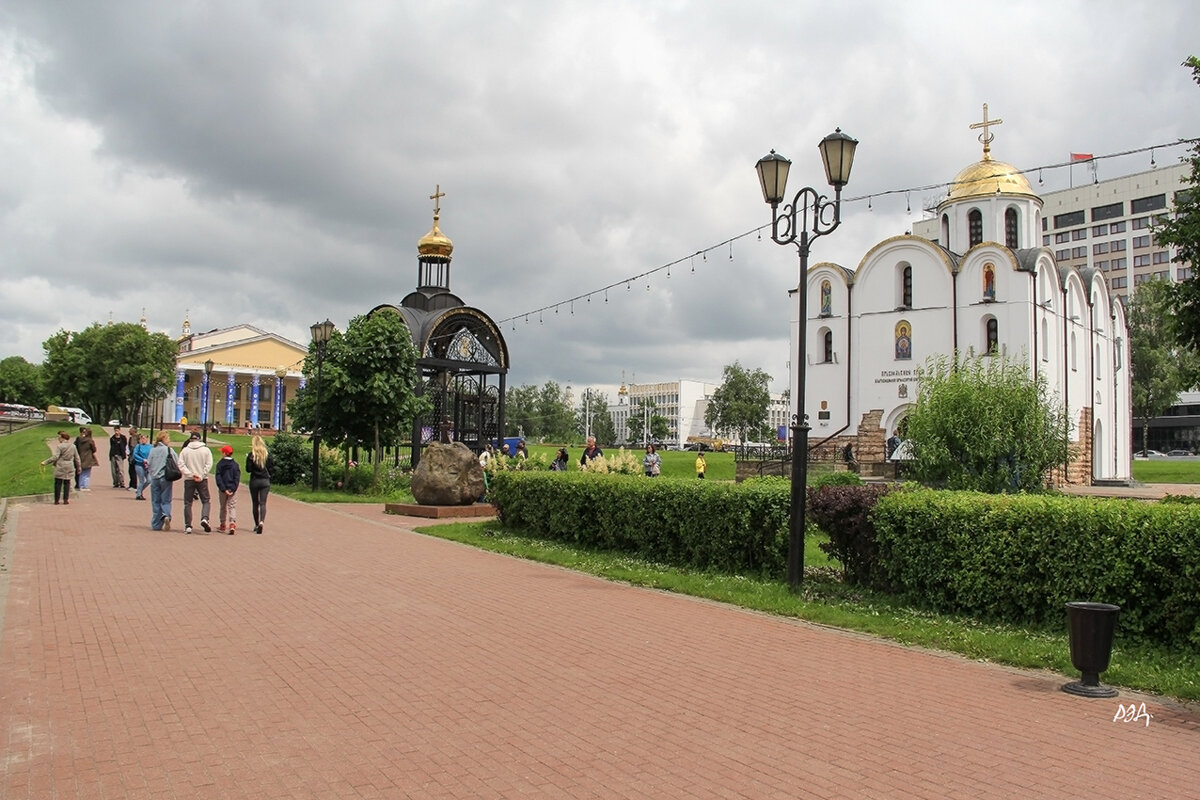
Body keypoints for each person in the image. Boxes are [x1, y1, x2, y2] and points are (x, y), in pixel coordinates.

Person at [178, 431, 213, 534]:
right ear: (199, 439)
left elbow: (181, 464)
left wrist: (190, 474)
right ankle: (205, 518)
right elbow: (209, 464)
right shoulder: (206, 450)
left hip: (189, 479)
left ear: (190, 439)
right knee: (206, 500)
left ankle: (188, 525)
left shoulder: (185, 451)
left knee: (188, 503)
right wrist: (201, 475)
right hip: (202, 479)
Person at [146, 431, 177, 531]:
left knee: (156, 501)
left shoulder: (152, 450)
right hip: (165, 477)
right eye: (168, 438)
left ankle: (156, 524)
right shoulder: (168, 450)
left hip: (154, 478)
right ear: (163, 439)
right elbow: (176, 461)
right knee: (166, 499)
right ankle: (166, 514)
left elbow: (148, 463)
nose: (169, 440)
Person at [245, 434, 274, 534]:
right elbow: (271, 469)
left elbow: (248, 470)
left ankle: (257, 524)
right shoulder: (267, 455)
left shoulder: (251, 455)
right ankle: (262, 521)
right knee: (263, 502)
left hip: (255, 480)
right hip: (265, 481)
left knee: (255, 503)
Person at [42, 431, 80, 505]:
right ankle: (66, 499)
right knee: (67, 482)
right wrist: (79, 467)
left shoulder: (60, 446)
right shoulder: (73, 446)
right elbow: (77, 458)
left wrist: (45, 462)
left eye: (59, 437)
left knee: (58, 483)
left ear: (63, 438)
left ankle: (57, 500)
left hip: (61, 465)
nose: (58, 439)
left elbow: (55, 457)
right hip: (69, 465)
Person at [214, 444, 241, 534]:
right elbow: (237, 478)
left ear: (225, 453)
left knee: (223, 507)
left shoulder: (220, 464)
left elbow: (218, 477)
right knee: (232, 506)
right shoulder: (235, 465)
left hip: (223, 489)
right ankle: (232, 523)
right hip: (232, 489)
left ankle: (222, 524)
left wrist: (223, 488)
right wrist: (233, 488)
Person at [130, 434, 152, 500]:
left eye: (144, 438)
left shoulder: (151, 446)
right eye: (141, 438)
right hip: (139, 465)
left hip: (147, 466)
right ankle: (139, 495)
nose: (143, 440)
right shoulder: (138, 446)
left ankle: (139, 491)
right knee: (141, 480)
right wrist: (142, 459)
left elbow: (152, 454)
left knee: (149, 480)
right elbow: (135, 455)